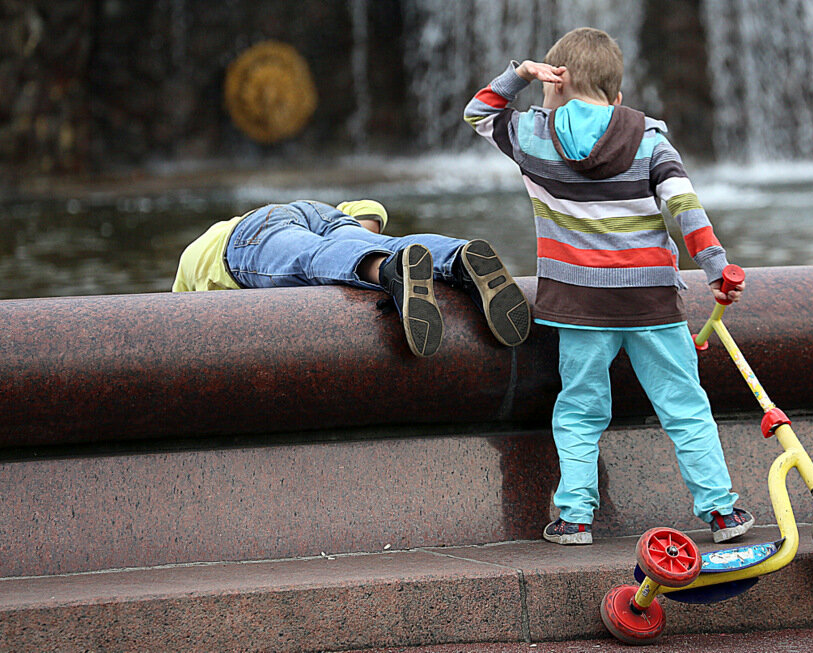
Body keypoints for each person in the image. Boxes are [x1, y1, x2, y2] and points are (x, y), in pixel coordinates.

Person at [464, 27, 753, 545]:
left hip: (578, 306)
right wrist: (717, 269)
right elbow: (685, 209)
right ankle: (721, 513)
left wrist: (520, 74)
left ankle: (575, 518)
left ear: (556, 82)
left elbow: (479, 114)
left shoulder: (533, 136)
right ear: (617, 97)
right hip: (651, 302)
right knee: (685, 406)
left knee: (579, 408)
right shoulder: (648, 138)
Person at [172, 199, 531, 357]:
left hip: (245, 241)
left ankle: (386, 271)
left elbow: (179, 325)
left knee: (311, 260)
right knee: (381, 242)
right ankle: (457, 258)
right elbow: (369, 210)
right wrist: (357, 236)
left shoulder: (194, 261)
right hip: (316, 211)